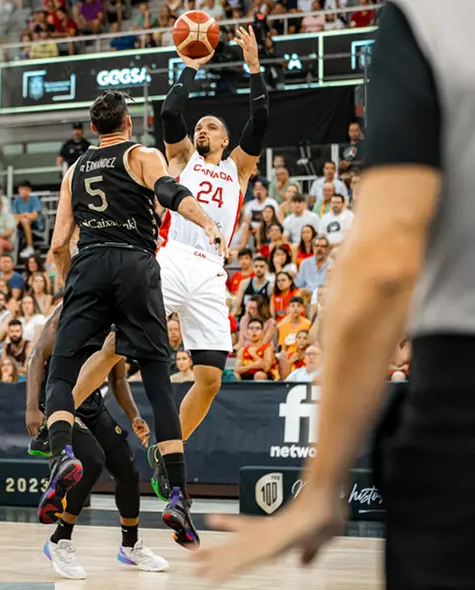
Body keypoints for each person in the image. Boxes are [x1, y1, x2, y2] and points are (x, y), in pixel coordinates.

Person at [195, 3, 467, 585]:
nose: (207, 133)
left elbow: (385, 265)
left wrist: (321, 492)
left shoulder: (431, 19)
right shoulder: (176, 162)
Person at [38, 89, 225, 550]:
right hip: (136, 266)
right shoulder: (141, 154)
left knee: (62, 370)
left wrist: (72, 283)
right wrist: (205, 222)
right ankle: (178, 495)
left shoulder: (74, 170)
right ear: (126, 123)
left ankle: (60, 455)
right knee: (160, 382)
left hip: (89, 263)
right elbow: (169, 191)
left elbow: (59, 244)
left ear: (95, 126)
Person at [25, 299, 168, 579]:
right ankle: (59, 540)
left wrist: (134, 415)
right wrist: (32, 407)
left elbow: (117, 378)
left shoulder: (118, 322)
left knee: (126, 468)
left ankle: (130, 544)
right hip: (60, 398)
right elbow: (37, 356)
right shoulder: (71, 307)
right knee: (90, 459)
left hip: (91, 403)